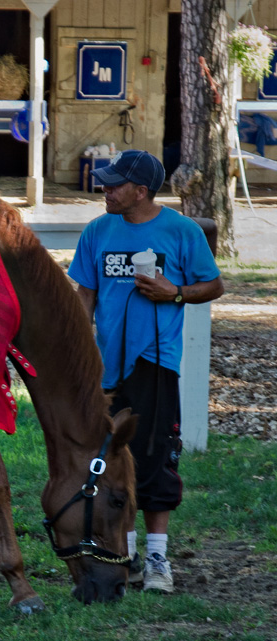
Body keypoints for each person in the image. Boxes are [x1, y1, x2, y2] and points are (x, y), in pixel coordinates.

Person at [68, 149, 224, 594]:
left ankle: (158, 557)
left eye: (114, 184)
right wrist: (81, 354)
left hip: (155, 364)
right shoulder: (98, 230)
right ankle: (127, 552)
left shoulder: (180, 231)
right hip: (104, 371)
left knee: (156, 458)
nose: (105, 190)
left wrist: (174, 292)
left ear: (141, 191)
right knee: (111, 462)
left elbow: (213, 284)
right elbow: (85, 295)